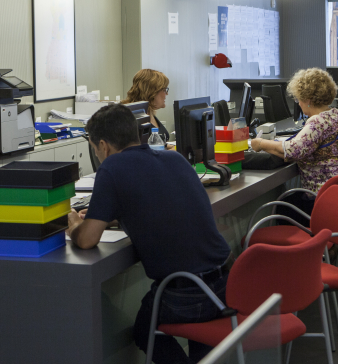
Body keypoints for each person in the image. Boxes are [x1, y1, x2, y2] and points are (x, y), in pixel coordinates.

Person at [67, 104, 231, 364]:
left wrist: (74, 224)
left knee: (145, 330)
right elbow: (156, 203)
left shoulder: (111, 169)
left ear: (102, 145)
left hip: (185, 295)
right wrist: (109, 212)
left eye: (95, 148)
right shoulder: (173, 158)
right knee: (202, 344)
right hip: (225, 285)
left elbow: (87, 240)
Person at [250, 68, 338, 225]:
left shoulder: (317, 122)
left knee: (284, 206)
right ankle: (331, 245)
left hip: (337, 199)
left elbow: (293, 151)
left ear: (307, 99)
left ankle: (311, 246)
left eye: (298, 99)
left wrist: (260, 143)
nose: (299, 103)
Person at [121, 69, 175, 150]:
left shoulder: (149, 113)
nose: (166, 93)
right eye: (164, 90)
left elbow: (153, 144)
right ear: (152, 92)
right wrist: (172, 152)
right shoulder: (131, 118)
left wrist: (169, 147)